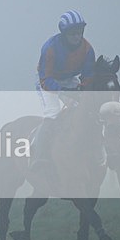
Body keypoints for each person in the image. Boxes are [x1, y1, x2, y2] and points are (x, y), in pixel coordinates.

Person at [30, 10, 95, 176]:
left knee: (84, 112)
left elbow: (88, 76)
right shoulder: (50, 48)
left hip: (69, 79)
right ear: (64, 33)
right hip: (47, 82)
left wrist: (82, 90)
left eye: (79, 32)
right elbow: (45, 79)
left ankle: (94, 151)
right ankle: (41, 155)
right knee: (53, 114)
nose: (76, 36)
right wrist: (63, 93)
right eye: (72, 33)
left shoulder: (88, 49)